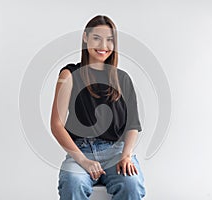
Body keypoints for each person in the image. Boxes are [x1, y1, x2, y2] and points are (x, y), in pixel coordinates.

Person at [50, 15, 146, 200]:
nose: (104, 45)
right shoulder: (69, 74)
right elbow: (56, 124)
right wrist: (83, 160)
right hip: (81, 150)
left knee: (131, 184)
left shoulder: (123, 79)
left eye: (110, 40)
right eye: (97, 38)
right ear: (85, 38)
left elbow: (132, 125)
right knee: (72, 182)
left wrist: (126, 156)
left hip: (117, 151)